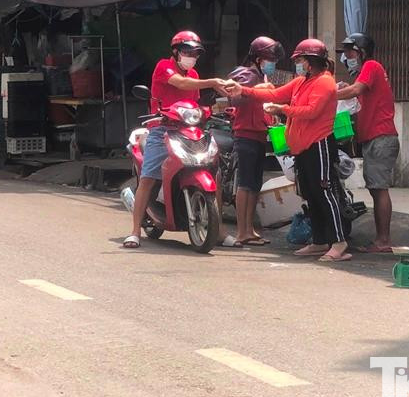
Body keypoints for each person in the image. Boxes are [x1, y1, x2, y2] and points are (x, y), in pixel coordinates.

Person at [229, 39, 350, 261]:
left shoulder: (324, 82)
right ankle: (320, 241)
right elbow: (274, 94)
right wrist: (243, 90)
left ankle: (339, 242)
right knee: (310, 194)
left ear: (311, 61)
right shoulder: (302, 82)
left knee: (325, 192)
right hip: (302, 148)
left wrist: (282, 109)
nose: (299, 64)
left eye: (302, 60)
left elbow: (311, 111)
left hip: (318, 145)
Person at [123, 31, 233, 249]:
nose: (191, 56)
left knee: (214, 172)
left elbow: (194, 102)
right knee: (148, 178)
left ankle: (218, 230)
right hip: (161, 130)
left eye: (195, 53)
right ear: (176, 52)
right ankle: (135, 231)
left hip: (189, 131)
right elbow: (180, 84)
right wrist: (211, 81)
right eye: (187, 52)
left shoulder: (194, 74)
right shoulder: (164, 66)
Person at [336, 33, 398, 253]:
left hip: (381, 137)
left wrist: (326, 95)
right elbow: (355, 95)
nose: (347, 57)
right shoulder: (367, 71)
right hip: (375, 137)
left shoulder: (372, 65)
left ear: (361, 52)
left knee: (379, 188)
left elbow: (355, 91)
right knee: (375, 188)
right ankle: (381, 240)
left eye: (350, 52)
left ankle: (383, 241)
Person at [221, 36, 284, 248]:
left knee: (255, 184)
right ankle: (242, 231)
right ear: (257, 58)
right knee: (245, 184)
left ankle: (250, 229)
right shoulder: (244, 74)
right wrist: (262, 90)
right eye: (269, 58)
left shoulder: (262, 78)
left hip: (259, 135)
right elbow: (236, 97)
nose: (272, 62)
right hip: (245, 135)